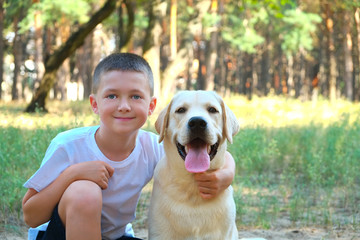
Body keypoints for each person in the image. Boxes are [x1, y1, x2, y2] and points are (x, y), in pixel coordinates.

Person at [22, 53, 236, 240]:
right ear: (94, 103)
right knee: (84, 192)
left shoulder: (152, 146)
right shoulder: (68, 145)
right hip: (57, 235)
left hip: (115, 237)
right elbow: (30, 216)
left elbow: (205, 151)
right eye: (112, 96)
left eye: (135, 96)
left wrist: (227, 174)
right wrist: (73, 174)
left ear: (151, 106)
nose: (124, 106)